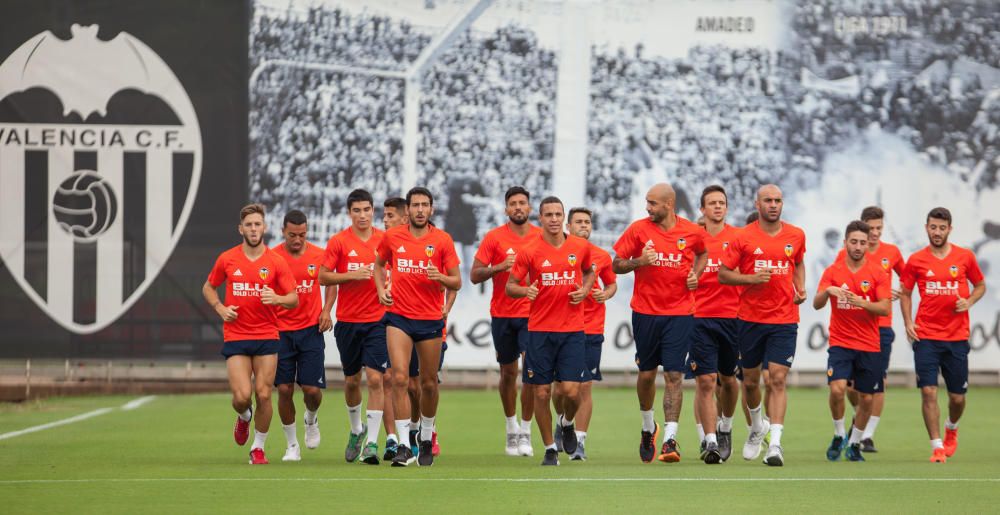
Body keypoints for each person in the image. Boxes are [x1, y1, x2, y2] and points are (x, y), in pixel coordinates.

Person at [612, 183, 708, 464]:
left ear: (669, 204)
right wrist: (640, 261)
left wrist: (696, 274)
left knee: (674, 376)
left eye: (653, 203)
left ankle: (669, 439)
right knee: (646, 374)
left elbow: (702, 253)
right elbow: (616, 264)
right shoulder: (639, 229)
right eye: (647, 202)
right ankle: (647, 427)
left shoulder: (691, 231)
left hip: (680, 314)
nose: (648, 208)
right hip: (645, 313)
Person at [202, 203, 298, 465]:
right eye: (249, 225)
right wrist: (220, 308)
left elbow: (293, 298)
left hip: (267, 335)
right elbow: (209, 287)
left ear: (264, 228)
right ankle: (244, 416)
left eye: (258, 224)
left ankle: (258, 448)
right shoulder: (228, 258)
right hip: (237, 335)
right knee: (242, 397)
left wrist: (277, 298)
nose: (254, 229)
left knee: (264, 393)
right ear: (240, 228)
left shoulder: (276, 261)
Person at [719, 184, 806, 467]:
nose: (773, 204)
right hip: (749, 319)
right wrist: (750, 279)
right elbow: (723, 274)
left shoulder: (796, 235)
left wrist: (800, 287)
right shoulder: (743, 237)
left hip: (784, 319)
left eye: (778, 200)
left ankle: (776, 445)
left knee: (777, 379)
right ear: (758, 204)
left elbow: (799, 262)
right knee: (752, 382)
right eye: (768, 200)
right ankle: (757, 426)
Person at [375, 187, 462, 467]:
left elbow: (457, 281)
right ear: (408, 210)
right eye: (416, 205)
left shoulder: (442, 240)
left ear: (432, 209)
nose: (420, 209)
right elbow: (379, 265)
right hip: (398, 316)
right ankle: (403, 445)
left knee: (428, 383)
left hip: (429, 320)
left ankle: (425, 435)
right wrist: (381, 290)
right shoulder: (392, 237)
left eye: (425, 205)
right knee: (399, 379)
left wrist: (441, 278)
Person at [506, 196, 596, 466]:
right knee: (541, 393)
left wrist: (586, 288)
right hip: (539, 332)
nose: (554, 219)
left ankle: (566, 423)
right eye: (549, 215)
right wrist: (526, 290)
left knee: (570, 392)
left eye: (558, 214)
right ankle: (549, 449)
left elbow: (590, 272)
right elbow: (511, 285)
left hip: (572, 332)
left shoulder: (580, 247)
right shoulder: (530, 251)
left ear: (563, 217)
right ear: (541, 218)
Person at [900, 207, 986, 463]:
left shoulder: (965, 257)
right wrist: (908, 322)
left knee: (957, 398)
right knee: (928, 392)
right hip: (925, 336)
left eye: (942, 228)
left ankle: (951, 428)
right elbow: (905, 292)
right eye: (933, 227)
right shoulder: (916, 260)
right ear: (926, 228)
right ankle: (937, 446)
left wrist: (969, 301)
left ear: (950, 229)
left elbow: (980, 285)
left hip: (957, 337)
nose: (937, 232)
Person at [319, 189, 392, 464]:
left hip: (377, 321)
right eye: (356, 210)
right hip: (348, 321)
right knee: (351, 381)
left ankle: (372, 443)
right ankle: (356, 430)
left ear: (373, 211)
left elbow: (395, 270)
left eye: (367, 209)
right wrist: (353, 275)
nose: (362, 215)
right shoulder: (339, 242)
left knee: (375, 379)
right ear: (349, 213)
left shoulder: (385, 240)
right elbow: (324, 277)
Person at [469, 186, 542, 456]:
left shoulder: (541, 236)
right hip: (502, 314)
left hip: (533, 314)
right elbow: (474, 275)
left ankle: (526, 430)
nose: (518, 207)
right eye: (513, 204)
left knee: (532, 373)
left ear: (530, 208)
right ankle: (511, 427)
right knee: (508, 374)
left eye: (523, 203)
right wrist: (499, 267)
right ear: (506, 209)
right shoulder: (495, 238)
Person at [814, 220, 891, 462]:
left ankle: (855, 442)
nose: (858, 246)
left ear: (868, 244)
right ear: (845, 242)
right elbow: (816, 303)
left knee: (866, 398)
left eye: (862, 243)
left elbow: (885, 308)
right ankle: (839, 434)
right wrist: (828, 292)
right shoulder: (833, 271)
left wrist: (863, 303)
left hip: (869, 344)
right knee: (837, 389)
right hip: (840, 342)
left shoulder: (878, 273)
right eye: (853, 242)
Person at [838, 206, 905, 452]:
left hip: (881, 328)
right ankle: (859, 418)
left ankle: (867, 435)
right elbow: (835, 282)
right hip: (851, 328)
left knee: (879, 382)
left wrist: (897, 294)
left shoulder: (892, 253)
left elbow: (908, 280)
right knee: (847, 385)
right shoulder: (847, 253)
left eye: (879, 228)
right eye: (871, 228)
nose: (875, 233)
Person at [552, 207, 617, 461]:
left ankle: (579, 441)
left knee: (585, 387)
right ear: (568, 226)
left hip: (590, 329)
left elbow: (611, 283)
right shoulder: (558, 253)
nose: (583, 225)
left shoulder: (600, 256)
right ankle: (564, 422)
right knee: (560, 390)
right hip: (561, 328)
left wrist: (606, 294)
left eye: (587, 222)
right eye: (578, 221)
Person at [272, 210, 335, 462]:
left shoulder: (319, 255)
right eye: (292, 235)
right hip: (280, 332)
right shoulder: (273, 257)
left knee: (311, 390)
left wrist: (327, 310)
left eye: (302, 234)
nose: (297, 239)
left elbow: (330, 282)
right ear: (283, 232)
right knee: (284, 389)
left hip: (310, 330)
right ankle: (292, 446)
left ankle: (311, 418)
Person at [690, 185, 742, 464]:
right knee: (706, 380)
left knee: (729, 381)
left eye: (722, 202)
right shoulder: (692, 239)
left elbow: (750, 274)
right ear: (703, 209)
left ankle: (725, 427)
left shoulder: (738, 237)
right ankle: (710, 441)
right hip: (699, 317)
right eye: (712, 203)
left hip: (733, 318)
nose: (718, 207)